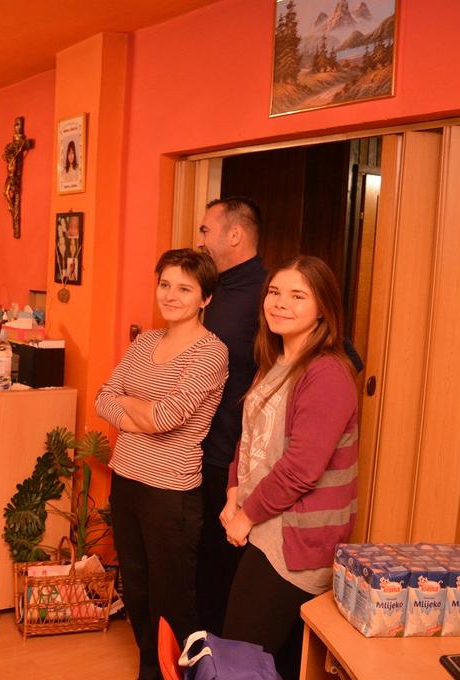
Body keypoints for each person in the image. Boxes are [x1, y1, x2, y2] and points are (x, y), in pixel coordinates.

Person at [221, 255, 358, 680]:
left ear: (323, 309)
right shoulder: (274, 362)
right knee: (259, 661)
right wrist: (233, 493)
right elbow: (249, 437)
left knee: (239, 663)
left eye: (298, 296)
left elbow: (301, 468)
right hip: (264, 525)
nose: (280, 303)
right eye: (275, 292)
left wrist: (246, 515)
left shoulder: (327, 374)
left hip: (293, 542)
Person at [96, 249, 229, 680]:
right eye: (165, 285)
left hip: (171, 491)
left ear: (205, 298)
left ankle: (173, 674)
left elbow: (166, 418)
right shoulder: (146, 342)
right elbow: (102, 397)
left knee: (171, 600)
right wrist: (139, 412)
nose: (170, 296)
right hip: (126, 479)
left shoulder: (211, 352)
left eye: (184, 289)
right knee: (136, 588)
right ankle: (150, 670)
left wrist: (130, 405)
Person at [193, 196, 267, 634]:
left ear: (235, 234)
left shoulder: (269, 293)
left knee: (226, 569)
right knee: (201, 562)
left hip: (234, 459)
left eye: (206, 230)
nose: (200, 240)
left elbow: (337, 353)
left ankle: (225, 654)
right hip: (196, 449)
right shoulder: (210, 287)